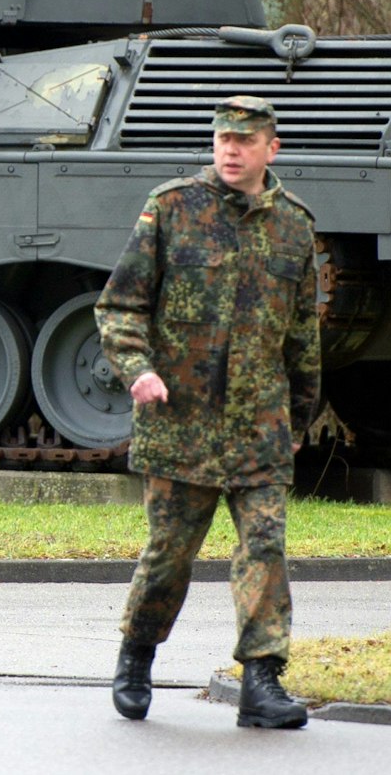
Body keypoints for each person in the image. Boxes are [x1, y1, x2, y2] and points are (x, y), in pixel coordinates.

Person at [93, 94, 319, 729]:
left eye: (245, 141)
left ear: (270, 149)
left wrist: (298, 419)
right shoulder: (170, 209)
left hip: (260, 426)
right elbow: (119, 307)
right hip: (179, 423)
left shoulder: (295, 226)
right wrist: (138, 372)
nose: (230, 148)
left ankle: (263, 681)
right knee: (170, 553)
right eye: (223, 138)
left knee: (265, 546)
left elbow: (304, 334)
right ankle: (136, 657)